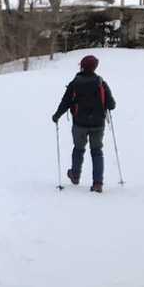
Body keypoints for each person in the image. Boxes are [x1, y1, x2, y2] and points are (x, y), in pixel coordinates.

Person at [51, 54, 117, 192]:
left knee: (78, 149)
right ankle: (97, 183)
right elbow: (112, 105)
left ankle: (75, 175)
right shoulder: (101, 83)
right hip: (98, 124)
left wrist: (57, 116)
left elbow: (65, 102)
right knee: (97, 151)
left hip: (79, 123)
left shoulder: (75, 83)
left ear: (82, 66)